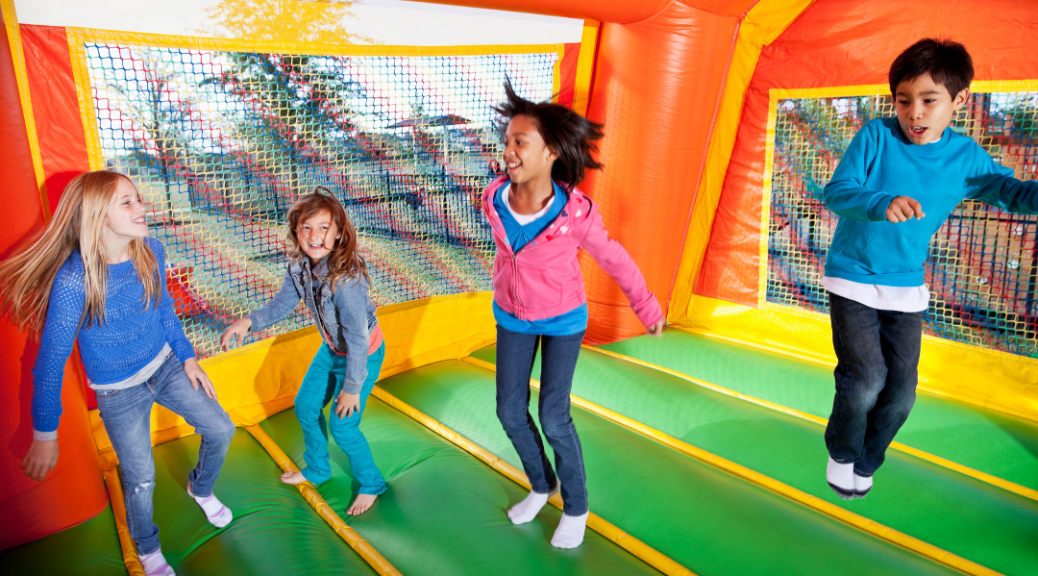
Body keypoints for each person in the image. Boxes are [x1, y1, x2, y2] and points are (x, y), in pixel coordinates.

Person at [821, 38, 1038, 499]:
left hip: (905, 286)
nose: (914, 113)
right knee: (864, 382)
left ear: (958, 102)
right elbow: (837, 191)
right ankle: (841, 452)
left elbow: (1010, 191)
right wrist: (881, 202)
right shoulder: (876, 137)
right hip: (853, 276)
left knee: (901, 395)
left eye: (928, 100)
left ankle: (867, 459)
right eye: (904, 101)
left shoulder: (965, 157)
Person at [1, 171, 235, 576]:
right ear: (96, 215)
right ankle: (147, 546)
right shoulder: (76, 281)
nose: (141, 207)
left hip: (164, 365)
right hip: (118, 393)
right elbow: (50, 364)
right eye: (127, 202)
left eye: (139, 198)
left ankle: (200, 486)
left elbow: (165, 311)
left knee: (221, 428)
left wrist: (188, 358)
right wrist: (45, 433)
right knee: (140, 476)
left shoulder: (151, 250)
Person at [484, 81, 665, 548]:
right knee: (508, 410)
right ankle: (543, 484)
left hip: (564, 319)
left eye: (519, 142)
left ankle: (577, 506)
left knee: (553, 415)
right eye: (506, 141)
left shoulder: (576, 215)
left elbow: (616, 259)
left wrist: (646, 305)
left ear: (550, 153)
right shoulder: (493, 200)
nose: (508, 150)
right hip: (512, 316)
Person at [221, 189, 387, 516]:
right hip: (332, 349)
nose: (314, 236)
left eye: (323, 227)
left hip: (361, 355)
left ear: (339, 232)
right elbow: (282, 304)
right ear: (296, 230)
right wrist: (248, 322)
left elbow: (357, 337)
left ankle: (371, 483)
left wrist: (352, 389)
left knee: (343, 427)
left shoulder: (346, 280)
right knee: (306, 406)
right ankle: (318, 468)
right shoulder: (298, 265)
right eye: (306, 227)